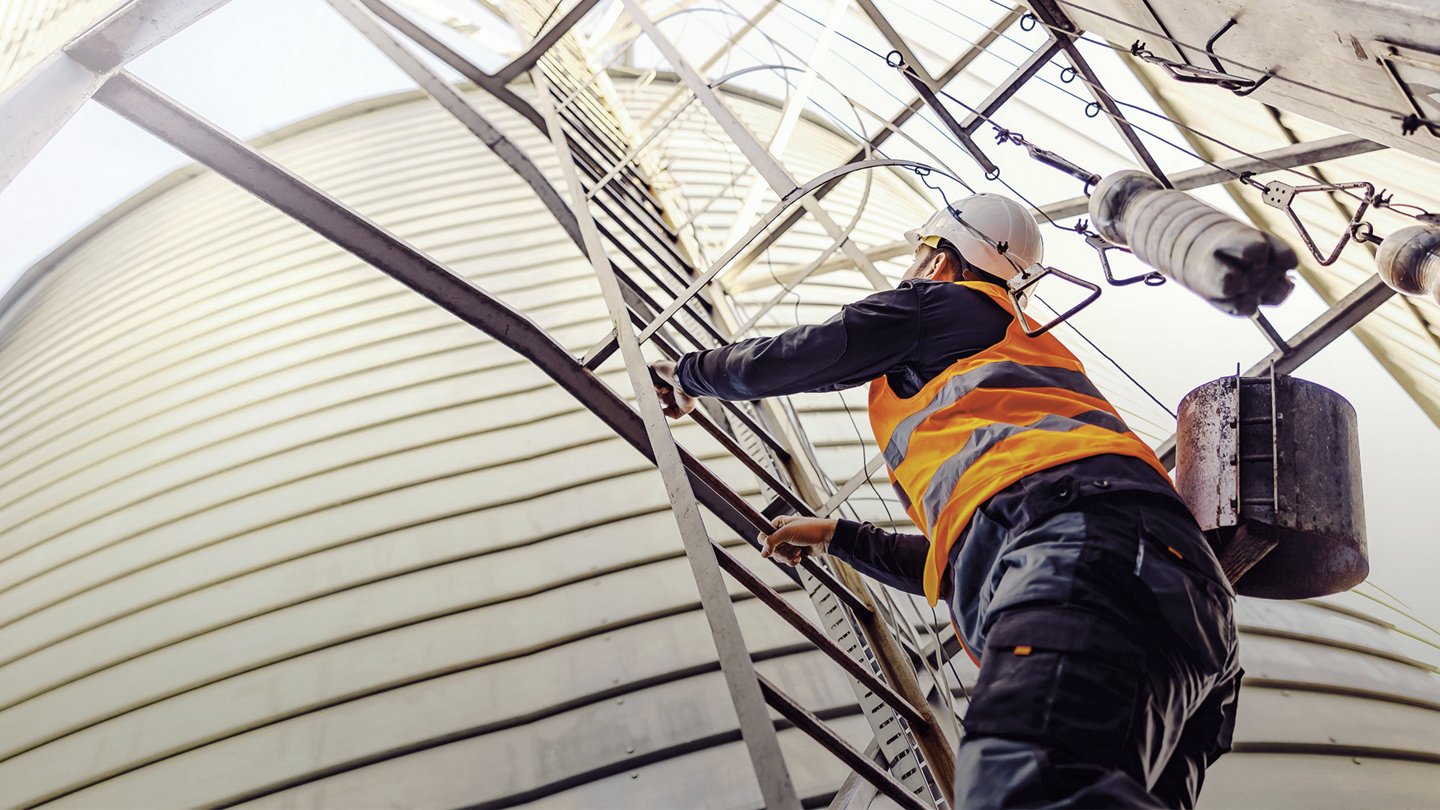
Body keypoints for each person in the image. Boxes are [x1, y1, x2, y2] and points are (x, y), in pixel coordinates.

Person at [652, 194, 1241, 808]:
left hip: (1085, 545)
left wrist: (688, 375)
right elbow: (961, 561)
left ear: (941, 262)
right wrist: (837, 537)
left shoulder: (942, 304)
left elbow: (812, 352)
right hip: (1187, 607)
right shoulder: (1014, 368)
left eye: (920, 255)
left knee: (1024, 791)